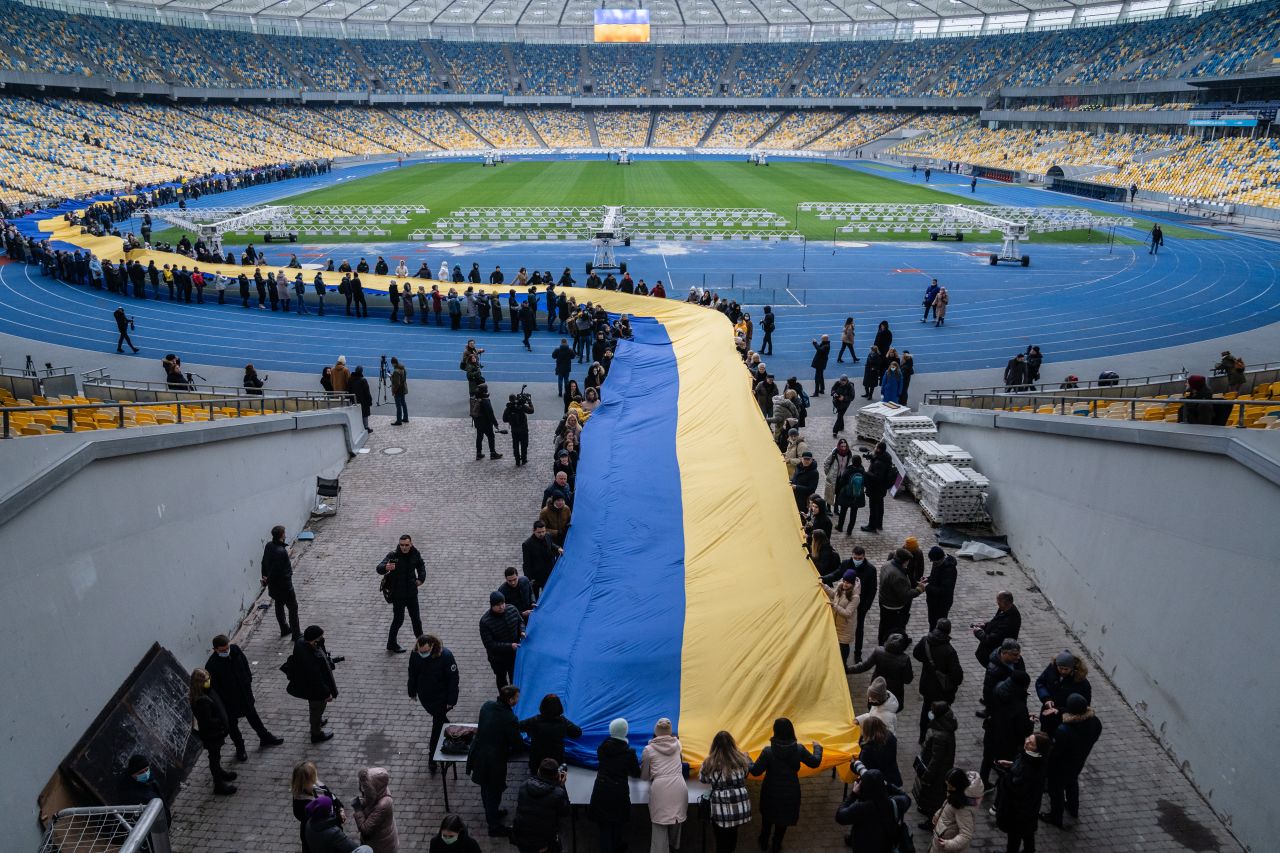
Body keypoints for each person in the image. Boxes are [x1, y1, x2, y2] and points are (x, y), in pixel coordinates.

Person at [748, 718, 823, 852]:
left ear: (775, 731)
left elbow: (755, 771)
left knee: (767, 818)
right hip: (791, 792)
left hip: (770, 791)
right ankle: (777, 844)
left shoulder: (768, 752)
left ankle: (763, 842)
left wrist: (746, 758)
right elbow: (815, 762)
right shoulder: (799, 749)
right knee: (783, 821)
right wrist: (817, 747)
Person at [205, 634, 283, 760]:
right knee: (233, 727)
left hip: (244, 693)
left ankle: (265, 737)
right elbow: (216, 688)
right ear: (215, 650)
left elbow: (245, 665)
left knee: (253, 716)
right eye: (223, 650)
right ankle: (240, 748)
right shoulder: (211, 665)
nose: (226, 651)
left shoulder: (235, 650)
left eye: (227, 648)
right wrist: (225, 701)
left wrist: (248, 680)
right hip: (229, 702)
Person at [468, 685, 524, 837]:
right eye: (517, 697)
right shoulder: (509, 718)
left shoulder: (487, 706)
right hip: (494, 762)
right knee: (494, 791)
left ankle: (491, 813)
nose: (518, 699)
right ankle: (494, 826)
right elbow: (517, 743)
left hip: (479, 755)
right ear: (510, 699)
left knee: (485, 789)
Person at [1041, 694, 1102, 828]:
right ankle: (1073, 808)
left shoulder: (1064, 730)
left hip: (1061, 765)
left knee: (1055, 790)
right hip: (1078, 761)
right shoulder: (1095, 722)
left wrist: (1047, 766)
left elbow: (1056, 753)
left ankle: (1056, 817)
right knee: (1072, 782)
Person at [408, 634, 459, 774]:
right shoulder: (415, 654)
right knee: (441, 721)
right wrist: (411, 691)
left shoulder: (446, 656)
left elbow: (453, 679)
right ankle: (457, 737)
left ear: (432, 646)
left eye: (425, 651)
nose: (422, 654)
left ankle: (433, 756)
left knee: (438, 723)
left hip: (442, 697)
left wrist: (451, 700)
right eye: (420, 651)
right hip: (426, 697)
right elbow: (412, 673)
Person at [590, 718, 642, 852]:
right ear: (625, 732)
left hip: (601, 790)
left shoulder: (601, 749)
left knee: (604, 828)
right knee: (617, 824)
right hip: (619, 792)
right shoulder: (629, 752)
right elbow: (636, 773)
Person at [994, 732, 1052, 853]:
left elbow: (1017, 789)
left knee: (1014, 837)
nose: (1026, 743)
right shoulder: (1034, 758)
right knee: (1028, 830)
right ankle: (1029, 850)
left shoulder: (1031, 769)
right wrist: (1011, 765)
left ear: (1038, 749)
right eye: (1028, 739)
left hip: (1019, 811)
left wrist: (1005, 775)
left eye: (1031, 743)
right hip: (1029, 809)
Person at [834, 766, 910, 853]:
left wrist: (853, 794)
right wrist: (888, 785)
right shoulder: (895, 803)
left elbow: (840, 816)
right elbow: (906, 797)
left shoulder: (861, 808)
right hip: (886, 847)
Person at [699, 730, 752, 853]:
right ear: (732, 743)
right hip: (739, 808)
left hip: (720, 812)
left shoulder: (709, 762)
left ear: (714, 745)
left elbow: (703, 779)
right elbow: (746, 774)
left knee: (720, 841)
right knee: (733, 836)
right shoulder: (742, 759)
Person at [981, 670, 1034, 791]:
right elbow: (1024, 730)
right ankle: (1000, 797)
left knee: (987, 759)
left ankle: (983, 783)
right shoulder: (1019, 706)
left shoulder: (998, 688)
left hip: (991, 731)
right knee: (1005, 769)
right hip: (1008, 741)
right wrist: (1029, 721)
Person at [285, 625, 339, 743]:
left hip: (309, 687)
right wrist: (326, 694)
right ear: (313, 640)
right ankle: (316, 733)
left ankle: (317, 721)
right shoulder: (309, 659)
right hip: (315, 690)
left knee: (314, 708)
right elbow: (317, 679)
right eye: (320, 638)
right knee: (317, 708)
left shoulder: (301, 643)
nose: (322, 639)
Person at [642, 717, 688, 853]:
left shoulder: (648, 749)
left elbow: (644, 776)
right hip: (679, 786)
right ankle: (675, 846)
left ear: (655, 731)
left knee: (659, 827)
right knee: (676, 821)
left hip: (660, 788)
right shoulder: (678, 744)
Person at [913, 619, 963, 743]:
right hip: (943, 691)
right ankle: (934, 738)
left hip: (927, 685)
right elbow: (957, 675)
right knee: (940, 715)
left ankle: (922, 736)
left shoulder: (926, 640)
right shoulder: (949, 651)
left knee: (926, 710)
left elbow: (916, 654)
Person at [190, 668, 238, 795]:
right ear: (199, 683)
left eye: (208, 678)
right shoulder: (201, 701)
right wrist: (221, 721)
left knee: (216, 756)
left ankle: (220, 773)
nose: (209, 681)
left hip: (214, 733)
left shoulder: (205, 693)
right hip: (212, 734)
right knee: (214, 758)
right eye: (205, 680)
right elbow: (207, 721)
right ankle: (219, 784)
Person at [377, 534, 426, 653]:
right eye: (401, 545)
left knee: (416, 620)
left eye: (406, 545)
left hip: (411, 594)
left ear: (411, 544)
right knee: (398, 620)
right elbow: (379, 567)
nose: (404, 547)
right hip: (398, 595)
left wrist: (421, 579)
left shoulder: (415, 553)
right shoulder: (393, 555)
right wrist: (386, 567)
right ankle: (391, 644)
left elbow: (421, 566)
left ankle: (422, 645)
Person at [511, 758, 570, 853]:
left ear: (538, 771)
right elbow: (565, 812)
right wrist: (561, 786)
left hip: (520, 837)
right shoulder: (558, 793)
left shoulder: (524, 785)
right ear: (556, 775)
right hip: (542, 844)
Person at [913, 701, 958, 821]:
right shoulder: (943, 726)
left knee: (933, 794)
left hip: (938, 771)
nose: (930, 713)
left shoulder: (940, 735)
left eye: (933, 712)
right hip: (938, 768)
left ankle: (930, 819)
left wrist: (927, 775)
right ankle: (925, 809)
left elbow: (936, 760)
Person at [520, 693, 582, 775]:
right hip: (557, 762)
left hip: (537, 762)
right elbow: (577, 733)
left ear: (543, 706)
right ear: (559, 707)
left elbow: (518, 726)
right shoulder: (563, 722)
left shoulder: (534, 721)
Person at [1035, 650, 1092, 737]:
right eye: (1060, 668)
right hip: (1048, 713)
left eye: (1066, 669)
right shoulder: (1051, 669)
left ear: (1072, 668)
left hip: (1065, 719)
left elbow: (1083, 706)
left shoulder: (1082, 683)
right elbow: (1040, 683)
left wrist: (1059, 710)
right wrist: (1046, 698)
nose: (1063, 671)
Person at [850, 633, 913, 710]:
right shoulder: (905, 659)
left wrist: (847, 670)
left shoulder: (878, 651)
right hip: (894, 693)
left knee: (873, 711)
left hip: (877, 689)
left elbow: (864, 666)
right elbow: (907, 680)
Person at [261, 525, 300, 641]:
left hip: (274, 587)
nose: (285, 534)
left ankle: (284, 628)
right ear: (282, 535)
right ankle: (296, 634)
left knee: (279, 605)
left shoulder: (268, 546)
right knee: (293, 608)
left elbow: (263, 563)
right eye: (284, 532)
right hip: (285, 586)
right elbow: (276, 571)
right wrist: (268, 579)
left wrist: (265, 578)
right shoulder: (281, 551)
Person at [927, 768, 981, 851]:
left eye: (950, 786)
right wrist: (938, 814)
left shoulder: (963, 808)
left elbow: (966, 834)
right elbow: (947, 806)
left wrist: (948, 844)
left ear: (958, 785)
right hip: (940, 839)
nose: (948, 789)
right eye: (947, 785)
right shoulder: (956, 794)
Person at [877, 548, 922, 643]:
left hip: (883, 601)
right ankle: (893, 643)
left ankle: (881, 641)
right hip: (894, 606)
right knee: (895, 627)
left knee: (884, 623)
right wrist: (919, 589)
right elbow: (905, 595)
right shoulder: (898, 576)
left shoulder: (886, 564)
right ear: (905, 561)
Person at [480, 591, 523, 689]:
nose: (501, 607)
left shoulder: (512, 609)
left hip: (513, 656)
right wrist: (510, 646)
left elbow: (520, 621)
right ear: (492, 605)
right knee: (501, 679)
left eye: (502, 603)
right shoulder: (485, 622)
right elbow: (490, 644)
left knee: (514, 677)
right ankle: (504, 699)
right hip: (498, 659)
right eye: (498, 605)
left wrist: (522, 631)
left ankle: (514, 698)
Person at [304, 796, 372, 853]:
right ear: (327, 812)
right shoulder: (334, 832)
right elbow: (353, 848)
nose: (332, 808)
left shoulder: (309, 823)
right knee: (366, 849)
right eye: (331, 807)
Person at [353, 768, 398, 853]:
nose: (362, 789)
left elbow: (365, 830)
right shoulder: (379, 789)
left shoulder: (383, 804)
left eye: (365, 787)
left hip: (381, 845)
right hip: (377, 841)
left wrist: (358, 810)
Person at [973, 591, 1021, 666]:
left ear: (1005, 603)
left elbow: (990, 640)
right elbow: (996, 622)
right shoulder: (1006, 609)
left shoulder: (1009, 622)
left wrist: (978, 632)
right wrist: (985, 625)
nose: (997, 603)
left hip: (994, 654)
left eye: (998, 602)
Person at [824, 570, 861, 668]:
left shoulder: (855, 597)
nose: (845, 584)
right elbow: (833, 595)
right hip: (836, 623)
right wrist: (824, 586)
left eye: (848, 583)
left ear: (852, 584)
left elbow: (848, 613)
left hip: (846, 627)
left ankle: (843, 667)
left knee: (843, 647)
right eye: (844, 581)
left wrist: (835, 606)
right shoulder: (840, 587)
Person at [855, 714, 901, 788]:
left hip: (876, 782)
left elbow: (864, 766)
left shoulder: (868, 749)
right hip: (892, 777)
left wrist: (854, 765)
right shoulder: (890, 737)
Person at [121, 755, 169, 822]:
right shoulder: (132, 795)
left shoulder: (151, 780)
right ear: (132, 775)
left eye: (146, 770)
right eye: (140, 773)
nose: (145, 774)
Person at [522, 520, 562, 600]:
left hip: (549, 572)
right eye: (539, 532)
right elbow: (527, 563)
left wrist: (557, 548)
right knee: (535, 598)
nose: (542, 534)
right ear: (534, 531)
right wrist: (529, 579)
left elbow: (551, 544)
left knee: (548, 595)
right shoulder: (527, 544)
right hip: (537, 577)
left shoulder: (547, 535)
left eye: (543, 531)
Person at [861, 441, 894, 532]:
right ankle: (879, 524)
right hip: (882, 488)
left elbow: (877, 477)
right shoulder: (885, 457)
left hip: (875, 488)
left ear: (879, 449)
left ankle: (872, 526)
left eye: (876, 447)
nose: (874, 448)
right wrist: (872, 458)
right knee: (880, 506)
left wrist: (866, 473)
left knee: (873, 508)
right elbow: (877, 459)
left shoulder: (879, 463)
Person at [922, 547, 957, 630]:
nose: (932, 562)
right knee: (931, 622)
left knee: (938, 625)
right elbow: (936, 577)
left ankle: (935, 640)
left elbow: (944, 590)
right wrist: (928, 579)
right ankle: (931, 637)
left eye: (933, 561)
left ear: (940, 559)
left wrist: (927, 586)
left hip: (941, 604)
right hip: (933, 601)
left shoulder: (949, 570)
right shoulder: (937, 563)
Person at [470, 383, 503, 460]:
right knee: (491, 437)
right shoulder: (485, 401)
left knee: (479, 437)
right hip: (486, 423)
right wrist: (495, 423)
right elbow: (490, 413)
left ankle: (478, 453)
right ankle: (493, 453)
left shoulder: (476, 399)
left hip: (478, 422)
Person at [503, 392, 534, 467]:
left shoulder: (508, 408)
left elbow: (504, 419)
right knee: (524, 444)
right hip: (523, 429)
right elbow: (531, 411)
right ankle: (524, 459)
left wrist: (511, 420)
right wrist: (530, 402)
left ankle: (517, 460)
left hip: (514, 430)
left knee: (515, 445)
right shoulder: (521, 406)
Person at [350, 366, 373, 432]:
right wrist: (369, 400)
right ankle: (365, 427)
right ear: (361, 371)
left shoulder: (350, 379)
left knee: (356, 413)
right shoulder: (363, 380)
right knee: (364, 414)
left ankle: (357, 427)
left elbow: (349, 389)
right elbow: (367, 392)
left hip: (354, 399)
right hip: (363, 400)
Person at [389, 357, 408, 426]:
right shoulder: (403, 368)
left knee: (398, 406)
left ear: (393, 363)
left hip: (398, 390)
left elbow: (397, 383)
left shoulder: (396, 371)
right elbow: (404, 378)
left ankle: (399, 420)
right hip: (403, 388)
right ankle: (405, 418)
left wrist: (394, 391)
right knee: (403, 403)